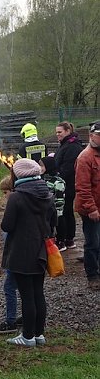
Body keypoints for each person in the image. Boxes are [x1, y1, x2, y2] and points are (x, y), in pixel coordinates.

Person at [1, 159, 55, 347]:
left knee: (26, 296)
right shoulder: (48, 195)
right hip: (41, 250)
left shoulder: (17, 197)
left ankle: (28, 336)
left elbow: (7, 225)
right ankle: (39, 334)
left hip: (21, 251)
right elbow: (53, 222)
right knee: (38, 293)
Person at [0, 176, 21, 335]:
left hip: (15, 255)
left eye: (5, 192)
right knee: (25, 286)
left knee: (9, 287)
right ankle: (28, 315)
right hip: (25, 254)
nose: (4, 196)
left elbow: (7, 228)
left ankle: (11, 321)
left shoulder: (14, 205)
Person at [75, 120, 100, 290]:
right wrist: (91, 209)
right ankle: (92, 276)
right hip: (90, 209)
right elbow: (82, 188)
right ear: (91, 136)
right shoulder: (85, 157)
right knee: (93, 243)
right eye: (99, 135)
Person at [54, 122, 82, 251]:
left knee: (65, 211)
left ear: (68, 131)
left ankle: (66, 239)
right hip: (63, 183)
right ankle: (67, 238)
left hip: (67, 184)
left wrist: (57, 176)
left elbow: (68, 167)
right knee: (65, 210)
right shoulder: (65, 144)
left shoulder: (72, 147)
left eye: (59, 132)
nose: (57, 134)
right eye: (56, 132)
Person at [39, 156, 66, 248]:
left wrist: (58, 211)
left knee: (58, 224)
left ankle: (61, 241)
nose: (40, 168)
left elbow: (59, 199)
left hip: (55, 209)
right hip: (45, 208)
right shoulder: (42, 179)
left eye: (42, 166)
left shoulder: (58, 182)